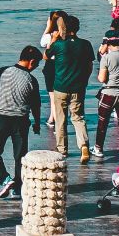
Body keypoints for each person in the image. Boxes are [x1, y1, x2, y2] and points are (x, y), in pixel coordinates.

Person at [0, 46, 43, 199]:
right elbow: (36, 105)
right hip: (21, 121)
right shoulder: (32, 80)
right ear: (32, 62)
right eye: (36, 64)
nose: (35, 67)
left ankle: (5, 179)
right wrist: (36, 122)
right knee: (20, 156)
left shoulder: (4, 71)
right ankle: (18, 188)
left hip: (0, 118)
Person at [44, 15, 95, 162]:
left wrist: (54, 39)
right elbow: (90, 66)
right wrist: (84, 79)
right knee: (78, 117)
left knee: (60, 119)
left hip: (60, 86)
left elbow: (46, 56)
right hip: (78, 86)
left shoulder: (59, 45)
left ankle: (62, 149)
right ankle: (84, 145)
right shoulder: (85, 44)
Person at [93, 31, 119, 161]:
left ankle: (98, 148)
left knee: (102, 122)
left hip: (109, 93)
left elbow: (102, 79)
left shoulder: (106, 58)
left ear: (109, 44)